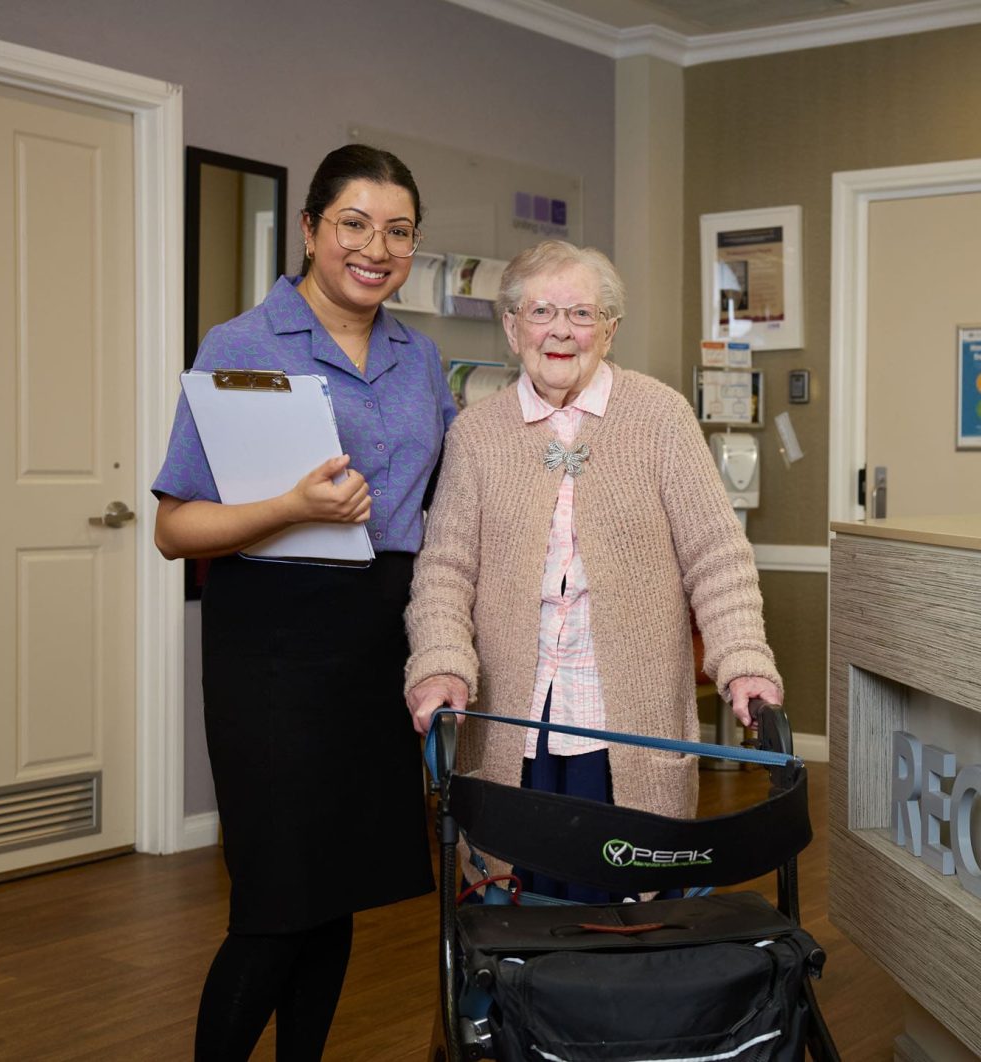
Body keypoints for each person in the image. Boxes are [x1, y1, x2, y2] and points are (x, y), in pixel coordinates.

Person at [152, 144, 456, 1060]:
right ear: (312, 227)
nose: (376, 248)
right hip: (272, 643)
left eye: (398, 231)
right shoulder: (241, 344)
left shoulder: (419, 356)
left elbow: (457, 491)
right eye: (354, 224)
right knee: (276, 902)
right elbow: (174, 528)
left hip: (381, 637)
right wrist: (290, 507)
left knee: (336, 892)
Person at [403, 240, 782, 902]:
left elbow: (716, 553)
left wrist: (743, 659)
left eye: (581, 313)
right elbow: (444, 572)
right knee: (518, 901)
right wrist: (440, 665)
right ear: (511, 325)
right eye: (540, 311)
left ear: (609, 329)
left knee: (630, 905)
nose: (559, 330)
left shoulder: (659, 417)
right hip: (515, 723)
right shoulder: (476, 435)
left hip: (626, 718)